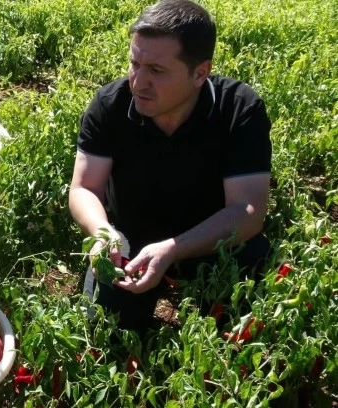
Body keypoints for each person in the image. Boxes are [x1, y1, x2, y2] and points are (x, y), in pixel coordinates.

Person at [69, 0, 272, 331]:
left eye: (157, 71)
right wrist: (103, 233)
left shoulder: (237, 109)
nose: (138, 82)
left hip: (210, 239)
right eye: (135, 64)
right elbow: (84, 188)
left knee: (243, 327)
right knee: (107, 334)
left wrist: (173, 250)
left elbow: (248, 211)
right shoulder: (110, 105)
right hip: (130, 244)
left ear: (199, 73)